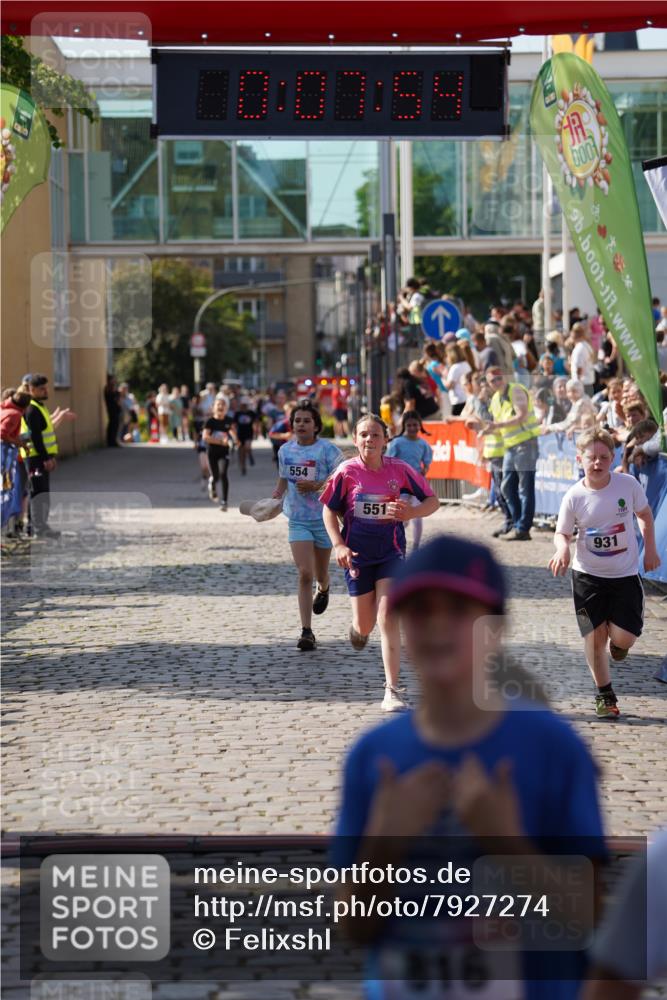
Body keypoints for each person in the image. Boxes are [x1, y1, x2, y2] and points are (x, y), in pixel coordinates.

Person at [332, 536, 606, 1000]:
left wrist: (508, 844)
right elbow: (353, 928)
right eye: (420, 610)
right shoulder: (373, 755)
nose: (438, 625)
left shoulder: (554, 748)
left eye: (459, 610)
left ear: (496, 628)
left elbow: (586, 917)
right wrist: (382, 846)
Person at [320, 414, 439, 712]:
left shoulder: (400, 469)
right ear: (355, 439)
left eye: (375, 435)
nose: (369, 440)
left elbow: (432, 500)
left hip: (391, 552)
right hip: (358, 555)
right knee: (366, 623)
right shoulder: (346, 472)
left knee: (388, 615)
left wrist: (411, 513)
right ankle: (358, 628)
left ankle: (392, 690)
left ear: (386, 439)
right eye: (363, 434)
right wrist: (339, 544)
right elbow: (328, 510)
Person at [549, 428, 660, 719]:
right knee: (594, 636)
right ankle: (605, 696)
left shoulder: (627, 485)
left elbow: (644, 514)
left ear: (612, 458)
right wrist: (562, 549)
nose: (597, 463)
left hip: (624, 576)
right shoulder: (574, 496)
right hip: (586, 578)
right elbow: (562, 533)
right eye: (591, 458)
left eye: (603, 457)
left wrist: (650, 549)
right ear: (580, 459)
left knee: (624, 638)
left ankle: (619, 644)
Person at [271, 401, 343, 652]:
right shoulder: (285, 450)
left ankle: (324, 587)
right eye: (297, 420)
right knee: (304, 572)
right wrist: (276, 496)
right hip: (298, 518)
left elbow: (341, 478)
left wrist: (317, 485)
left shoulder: (327, 450)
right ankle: (306, 631)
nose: (301, 424)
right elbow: (283, 478)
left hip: (324, 518)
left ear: (316, 426)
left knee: (320, 574)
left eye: (306, 421)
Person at [483, 366, 541, 541]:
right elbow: (498, 425)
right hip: (510, 446)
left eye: (499, 378)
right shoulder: (495, 398)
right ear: (488, 383)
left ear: (505, 377)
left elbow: (521, 415)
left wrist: (497, 426)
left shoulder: (515, 390)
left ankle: (523, 529)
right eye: (492, 380)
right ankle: (517, 525)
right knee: (506, 488)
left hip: (526, 444)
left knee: (525, 488)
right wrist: (486, 429)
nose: (496, 382)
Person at [20, 374, 75, 539]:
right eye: (41, 388)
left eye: (46, 387)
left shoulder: (39, 407)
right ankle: (38, 528)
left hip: (39, 457)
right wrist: (46, 458)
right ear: (32, 389)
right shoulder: (32, 409)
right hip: (35, 458)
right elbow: (36, 437)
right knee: (38, 493)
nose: (46, 391)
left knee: (41, 493)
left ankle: (36, 527)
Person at [386, 412, 433, 550]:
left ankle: (416, 547)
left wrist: (425, 470)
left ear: (420, 426)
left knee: (418, 515)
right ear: (404, 426)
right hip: (401, 486)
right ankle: (397, 543)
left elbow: (427, 462)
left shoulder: (423, 444)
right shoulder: (397, 443)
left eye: (415, 425)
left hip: (417, 484)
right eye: (409, 425)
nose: (412, 428)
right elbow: (389, 462)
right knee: (401, 516)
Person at [202, 397, 235, 511]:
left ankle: (224, 502)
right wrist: (221, 441)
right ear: (213, 408)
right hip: (212, 452)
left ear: (226, 408)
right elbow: (205, 437)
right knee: (216, 476)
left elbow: (232, 432)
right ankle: (212, 482)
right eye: (218, 405)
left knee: (223, 473)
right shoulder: (210, 422)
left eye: (223, 405)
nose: (221, 407)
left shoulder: (229, 420)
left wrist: (235, 440)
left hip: (224, 452)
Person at [443, 342, 471, 416]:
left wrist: (443, 378)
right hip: (465, 397)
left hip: (458, 400)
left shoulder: (455, 368)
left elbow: (450, 386)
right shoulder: (466, 364)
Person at [569, 323, 596, 396]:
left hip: (582, 384)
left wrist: (577, 384)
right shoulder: (586, 345)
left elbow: (579, 368)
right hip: (587, 383)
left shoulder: (579, 348)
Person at [233, 397, 258, 475]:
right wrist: (234, 435)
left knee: (247, 447)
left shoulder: (251, 413)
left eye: (245, 405)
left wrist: (256, 432)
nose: (244, 406)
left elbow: (256, 422)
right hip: (240, 434)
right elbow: (234, 425)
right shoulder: (237, 413)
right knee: (241, 452)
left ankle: (250, 455)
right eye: (243, 405)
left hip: (249, 433)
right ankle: (243, 466)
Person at [103, 374, 121, 447]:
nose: (114, 381)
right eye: (113, 379)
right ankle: (111, 441)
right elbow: (114, 398)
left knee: (115, 424)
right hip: (112, 409)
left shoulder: (112, 388)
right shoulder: (108, 389)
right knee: (113, 424)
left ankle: (113, 440)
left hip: (115, 409)